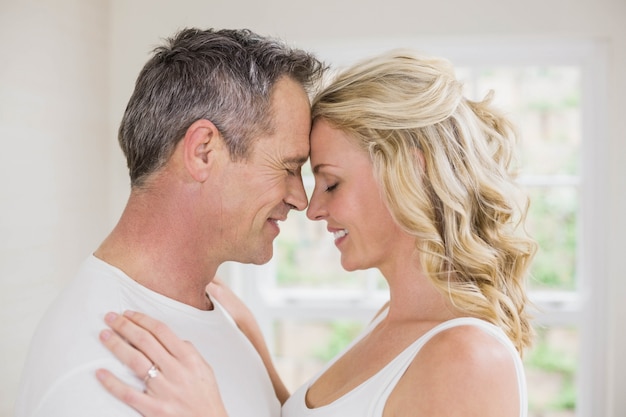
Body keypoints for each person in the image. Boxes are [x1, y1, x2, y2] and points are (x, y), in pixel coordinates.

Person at [95, 50, 538, 417]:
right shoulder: (392, 319)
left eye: (331, 182)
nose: (313, 207)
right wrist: (252, 348)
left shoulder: (469, 360)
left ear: (411, 169)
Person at [14, 27, 325, 417]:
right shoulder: (104, 370)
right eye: (289, 167)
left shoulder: (210, 312)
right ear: (203, 152)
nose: (300, 198)